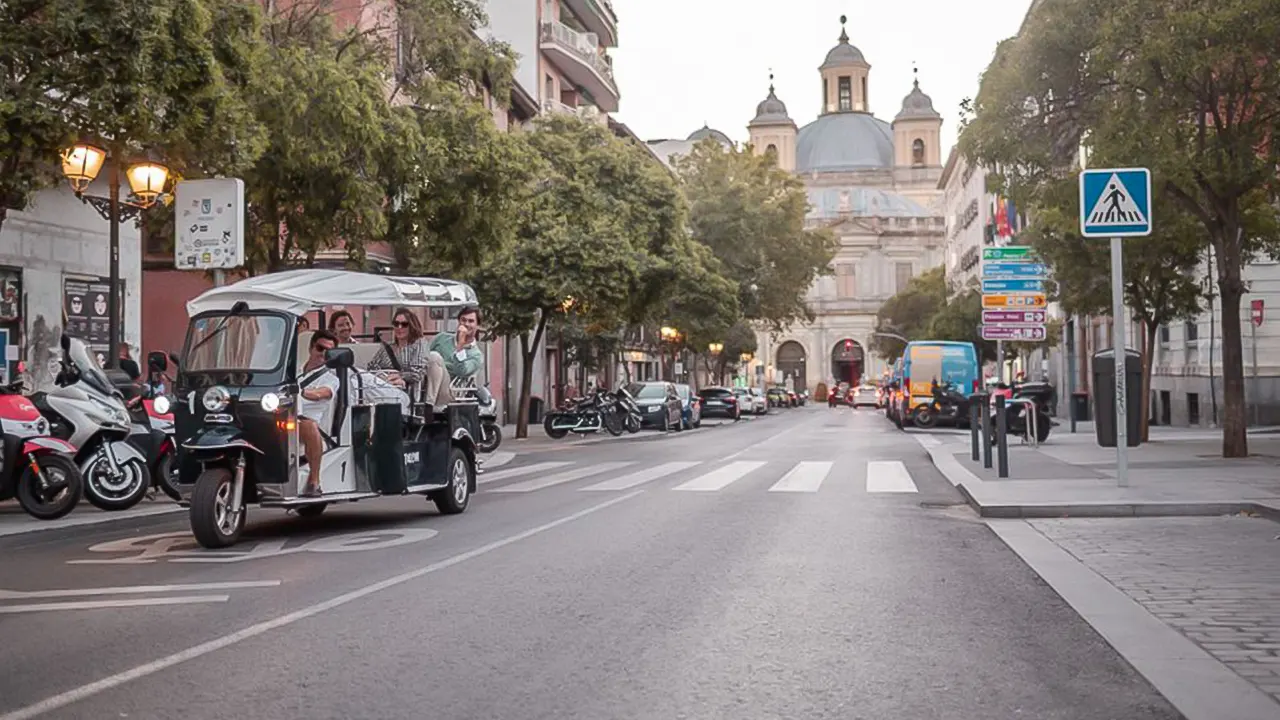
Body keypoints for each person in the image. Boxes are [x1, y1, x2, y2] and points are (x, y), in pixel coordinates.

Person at [298, 330, 340, 497]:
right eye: (319, 348)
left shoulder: (331, 378)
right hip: (281, 415)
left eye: (328, 351)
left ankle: (314, 480)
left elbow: (321, 394)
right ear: (311, 348)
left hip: (310, 425)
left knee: (308, 424)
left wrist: (301, 392)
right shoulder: (292, 371)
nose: (322, 354)